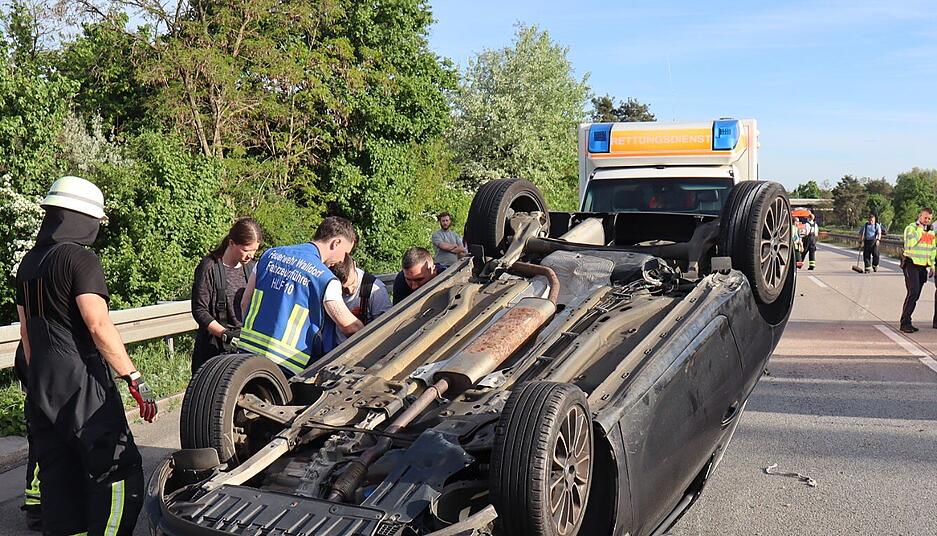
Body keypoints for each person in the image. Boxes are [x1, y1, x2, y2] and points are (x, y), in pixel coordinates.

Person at [15, 176, 157, 535]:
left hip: (42, 387)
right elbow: (97, 325)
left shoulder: (28, 264)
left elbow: (26, 333)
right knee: (119, 472)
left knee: (60, 479)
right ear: (85, 219)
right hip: (82, 386)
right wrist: (133, 378)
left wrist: (39, 384)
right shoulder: (79, 258)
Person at [239, 216, 363, 376]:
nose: (342, 260)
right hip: (286, 366)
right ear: (336, 243)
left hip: (245, 354)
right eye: (345, 253)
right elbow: (350, 326)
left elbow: (245, 302)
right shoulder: (325, 278)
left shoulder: (269, 256)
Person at [190, 217, 262, 374]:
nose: (251, 256)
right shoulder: (209, 267)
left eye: (255, 250)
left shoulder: (252, 268)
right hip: (213, 349)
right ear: (231, 243)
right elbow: (199, 310)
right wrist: (225, 334)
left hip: (244, 348)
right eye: (246, 250)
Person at [330, 253, 391, 343]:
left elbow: (383, 328)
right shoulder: (329, 285)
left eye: (352, 284)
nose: (350, 291)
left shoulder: (375, 289)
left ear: (354, 265)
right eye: (343, 288)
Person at [900, 208, 935, 333]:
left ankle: (907, 320)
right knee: (913, 292)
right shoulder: (911, 228)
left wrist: (932, 266)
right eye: (925, 218)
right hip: (910, 263)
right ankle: (904, 323)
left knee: (916, 295)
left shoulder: (931, 233)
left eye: (929, 219)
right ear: (919, 216)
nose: (927, 220)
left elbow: (932, 250)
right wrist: (920, 229)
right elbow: (910, 243)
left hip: (922, 267)